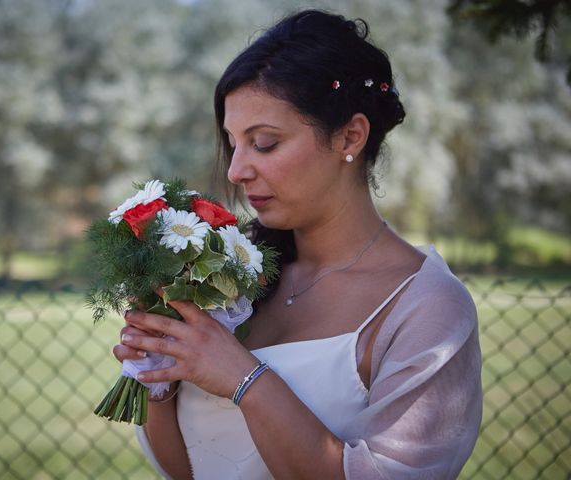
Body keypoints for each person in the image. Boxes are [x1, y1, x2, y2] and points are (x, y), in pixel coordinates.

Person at [113, 9, 482, 480]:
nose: (235, 171)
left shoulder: (426, 308)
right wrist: (161, 372)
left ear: (351, 135)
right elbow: (189, 468)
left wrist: (241, 378)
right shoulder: (227, 274)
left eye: (264, 143)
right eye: (233, 143)